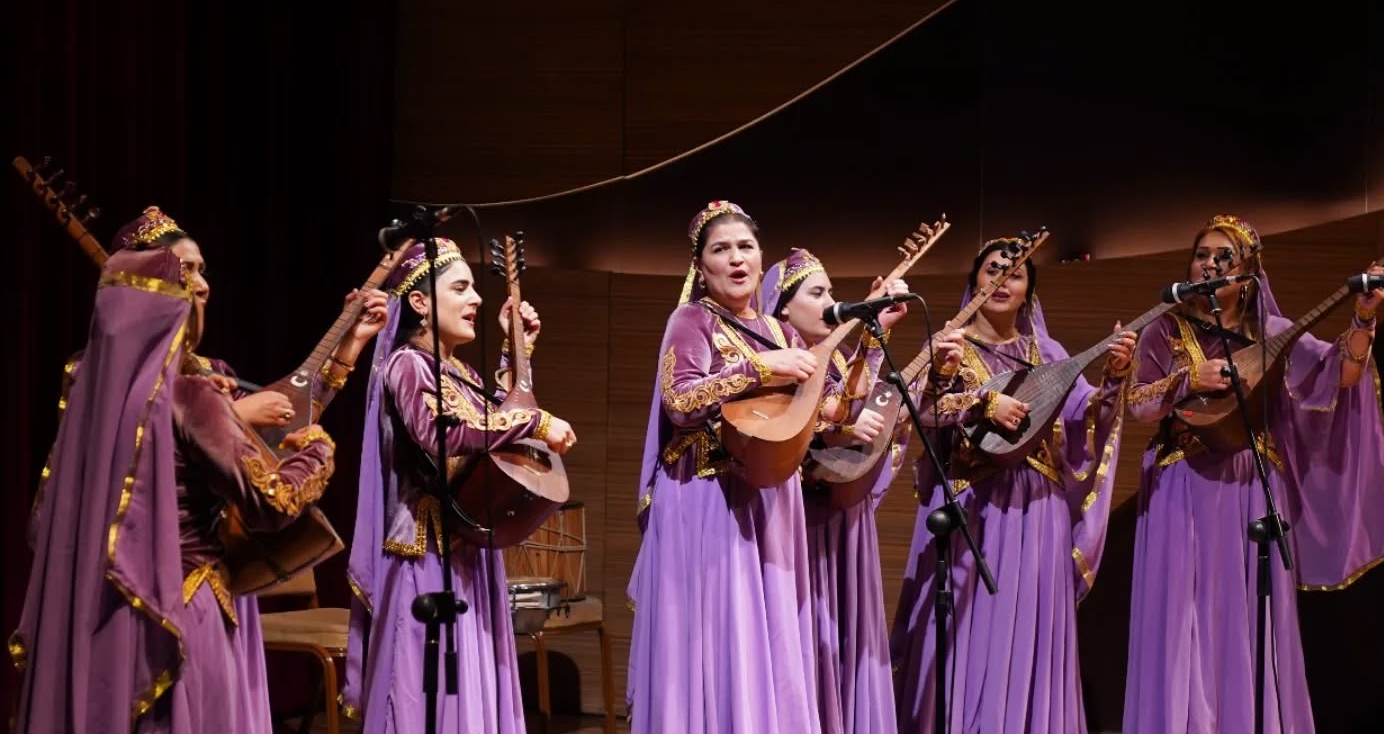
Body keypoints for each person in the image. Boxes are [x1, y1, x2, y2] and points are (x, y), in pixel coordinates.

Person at [13, 208, 356, 733]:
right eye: (186, 273)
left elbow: (277, 406)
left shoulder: (90, 385)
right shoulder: (193, 393)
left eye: (201, 270)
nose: (202, 286)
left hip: (109, 608)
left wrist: (344, 352)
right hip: (185, 605)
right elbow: (271, 502)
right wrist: (316, 449)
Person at [1123, 214, 1384, 734]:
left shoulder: (1274, 335)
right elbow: (1137, 405)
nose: (1209, 264)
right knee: (1180, 619)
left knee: (1244, 618)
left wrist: (1362, 319)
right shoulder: (1166, 327)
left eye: (1223, 257)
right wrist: (1189, 378)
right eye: (1202, 254)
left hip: (1251, 489)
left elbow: (1341, 372)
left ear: (1250, 272)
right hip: (1179, 486)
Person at [889, 236, 1135, 733]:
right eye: (992, 269)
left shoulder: (1047, 352)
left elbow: (1088, 419)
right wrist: (980, 400)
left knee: (1024, 635)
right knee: (964, 632)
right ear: (974, 281)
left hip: (1036, 511)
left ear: (1029, 291)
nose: (1002, 279)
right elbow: (916, 411)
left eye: (1015, 273)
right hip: (967, 507)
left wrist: (1114, 377)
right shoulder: (948, 345)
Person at [342, 237, 577, 733]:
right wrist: (534, 427)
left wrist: (519, 355)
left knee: (465, 690)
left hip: (464, 551)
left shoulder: (459, 373)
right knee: (422, 691)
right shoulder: (407, 364)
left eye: (475, 288)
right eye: (462, 288)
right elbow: (442, 434)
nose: (476, 299)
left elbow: (498, 428)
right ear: (422, 302)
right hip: (423, 554)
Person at [627, 201, 826, 732]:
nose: (736, 259)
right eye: (721, 249)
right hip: (706, 494)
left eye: (746, 247)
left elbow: (819, 408)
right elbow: (681, 401)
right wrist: (759, 367)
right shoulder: (691, 320)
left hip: (768, 495)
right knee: (717, 632)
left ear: (761, 259)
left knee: (768, 633)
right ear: (701, 266)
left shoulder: (777, 328)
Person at [759, 248, 910, 733]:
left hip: (843, 518)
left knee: (844, 635)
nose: (829, 302)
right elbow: (816, 421)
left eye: (831, 292)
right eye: (817, 293)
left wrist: (874, 332)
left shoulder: (840, 361)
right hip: (800, 519)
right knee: (806, 633)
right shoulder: (775, 363)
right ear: (784, 309)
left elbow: (856, 405)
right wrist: (840, 425)